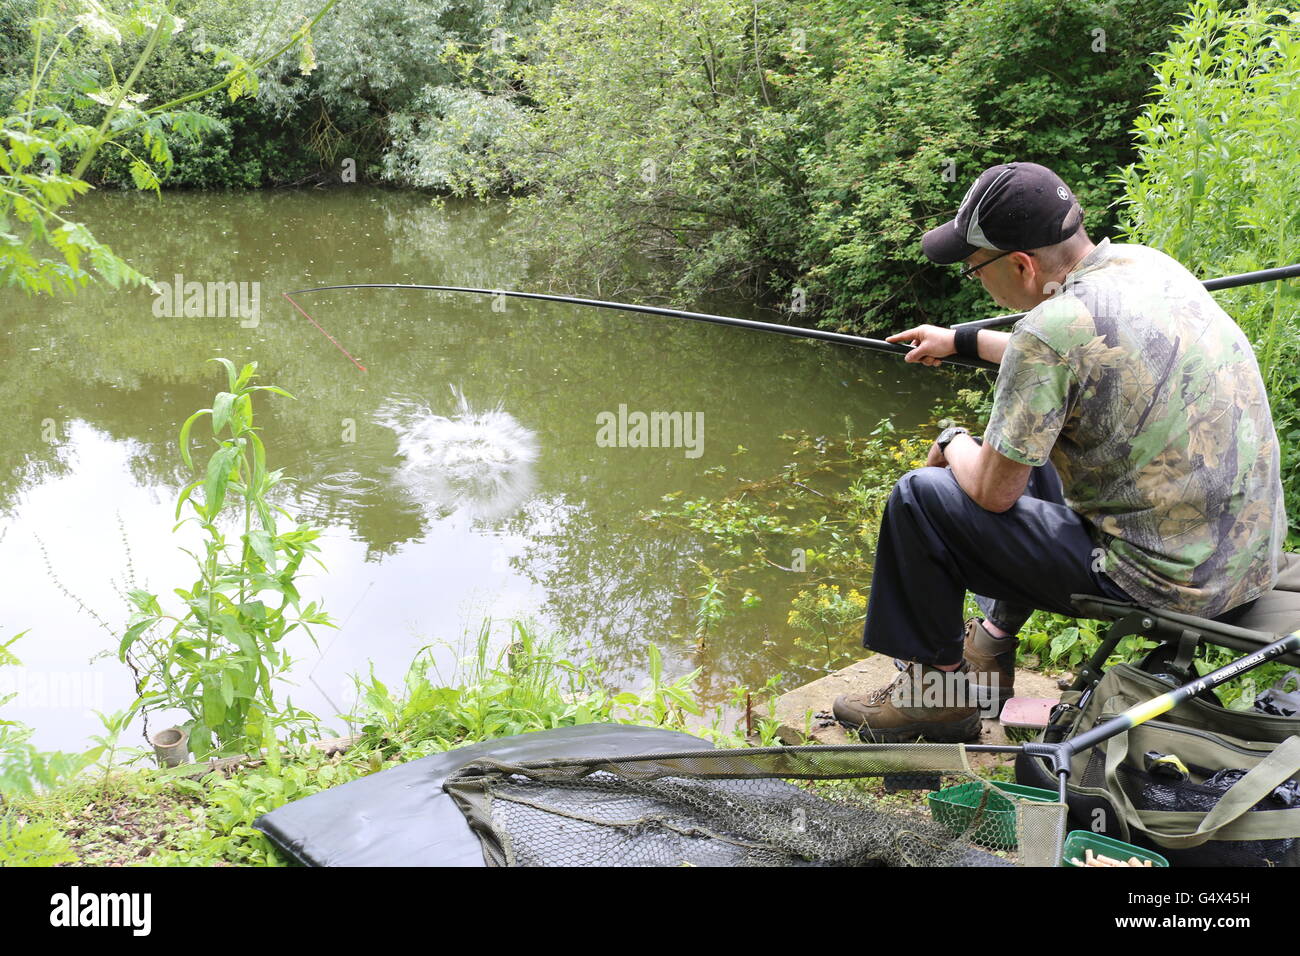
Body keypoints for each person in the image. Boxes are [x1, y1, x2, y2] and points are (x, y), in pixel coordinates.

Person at [832, 161, 1287, 742]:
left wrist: (952, 441)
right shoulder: (1147, 266)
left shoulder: (1050, 330)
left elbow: (995, 494)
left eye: (975, 271)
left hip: (1170, 582)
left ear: (1020, 265)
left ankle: (935, 699)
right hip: (1246, 557)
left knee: (921, 499)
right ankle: (991, 647)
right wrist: (959, 340)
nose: (977, 282)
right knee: (1034, 449)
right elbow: (1094, 353)